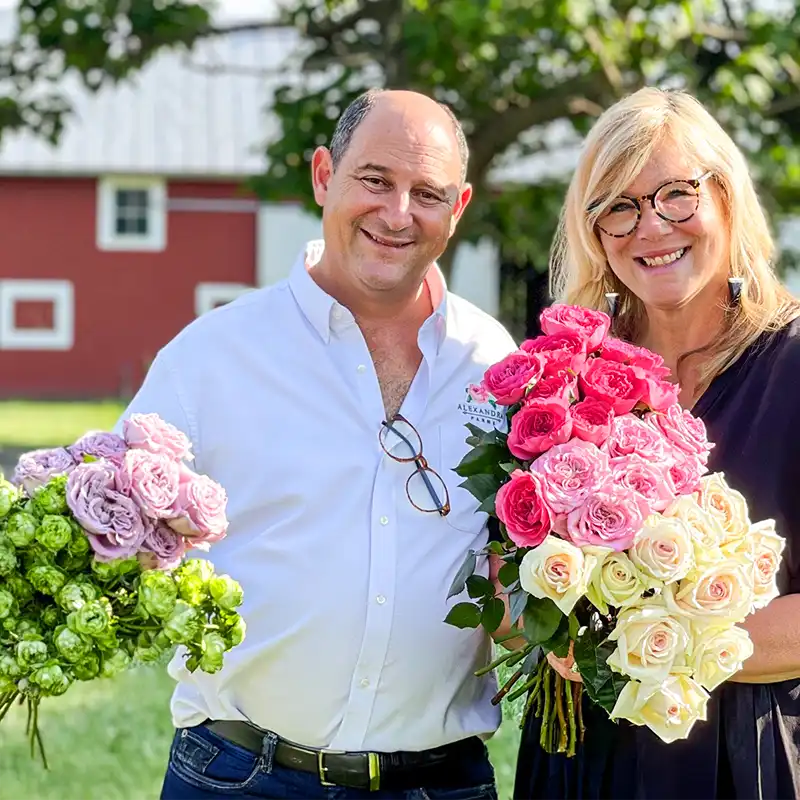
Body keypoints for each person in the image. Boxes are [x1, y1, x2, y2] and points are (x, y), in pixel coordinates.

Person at [116, 88, 517, 799]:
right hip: (239, 778)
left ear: (457, 210)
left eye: (428, 192)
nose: (398, 214)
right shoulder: (212, 356)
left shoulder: (495, 364)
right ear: (324, 175)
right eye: (375, 180)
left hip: (440, 783)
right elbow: (110, 532)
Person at [508, 86, 800, 800]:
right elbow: (510, 600)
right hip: (582, 758)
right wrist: (534, 616)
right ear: (593, 230)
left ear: (725, 198)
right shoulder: (561, 383)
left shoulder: (793, 366)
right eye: (618, 206)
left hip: (748, 761)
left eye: (675, 194)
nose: (650, 227)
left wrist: (638, 643)